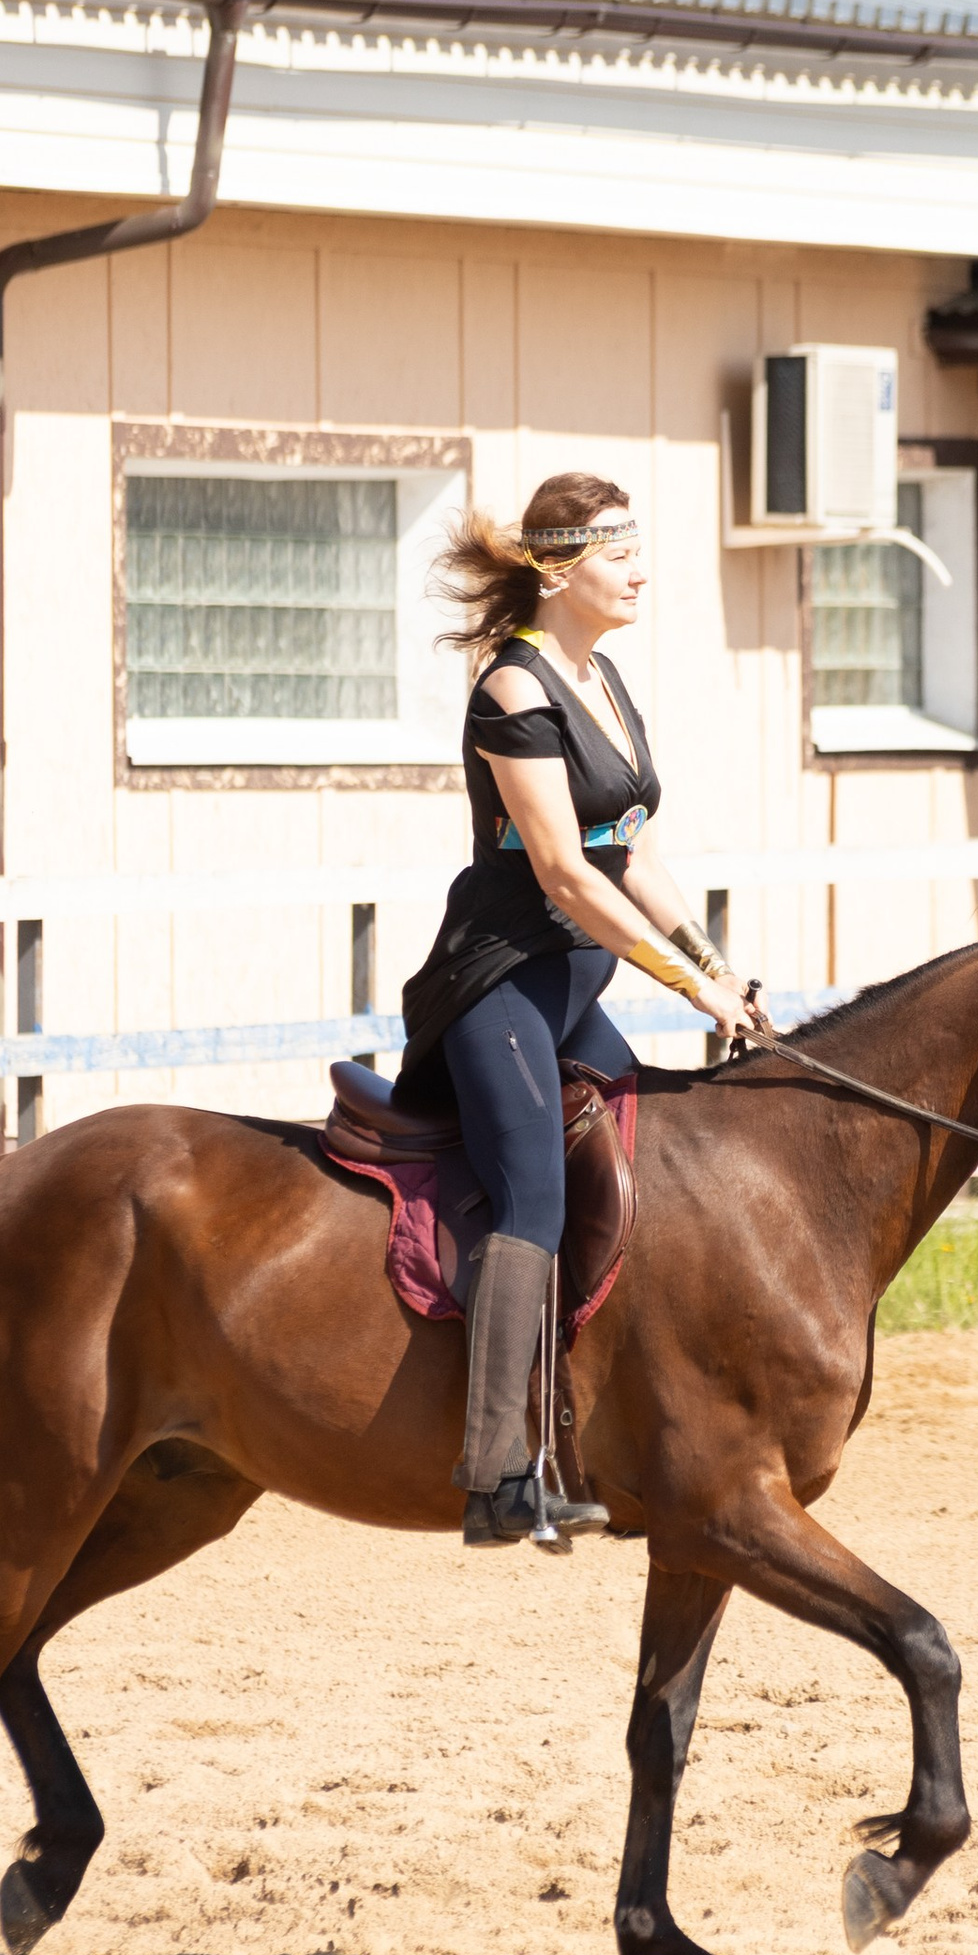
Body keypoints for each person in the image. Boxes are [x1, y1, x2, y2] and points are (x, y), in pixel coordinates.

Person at [395, 471, 758, 1546]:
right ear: (559, 569)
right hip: (498, 980)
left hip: (573, 985)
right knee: (535, 1201)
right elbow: (565, 874)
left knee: (648, 1162)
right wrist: (685, 986)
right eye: (616, 549)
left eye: (638, 544)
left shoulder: (600, 678)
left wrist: (717, 966)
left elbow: (632, 848)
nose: (639, 567)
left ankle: (626, 1407)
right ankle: (496, 1476)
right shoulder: (514, 689)